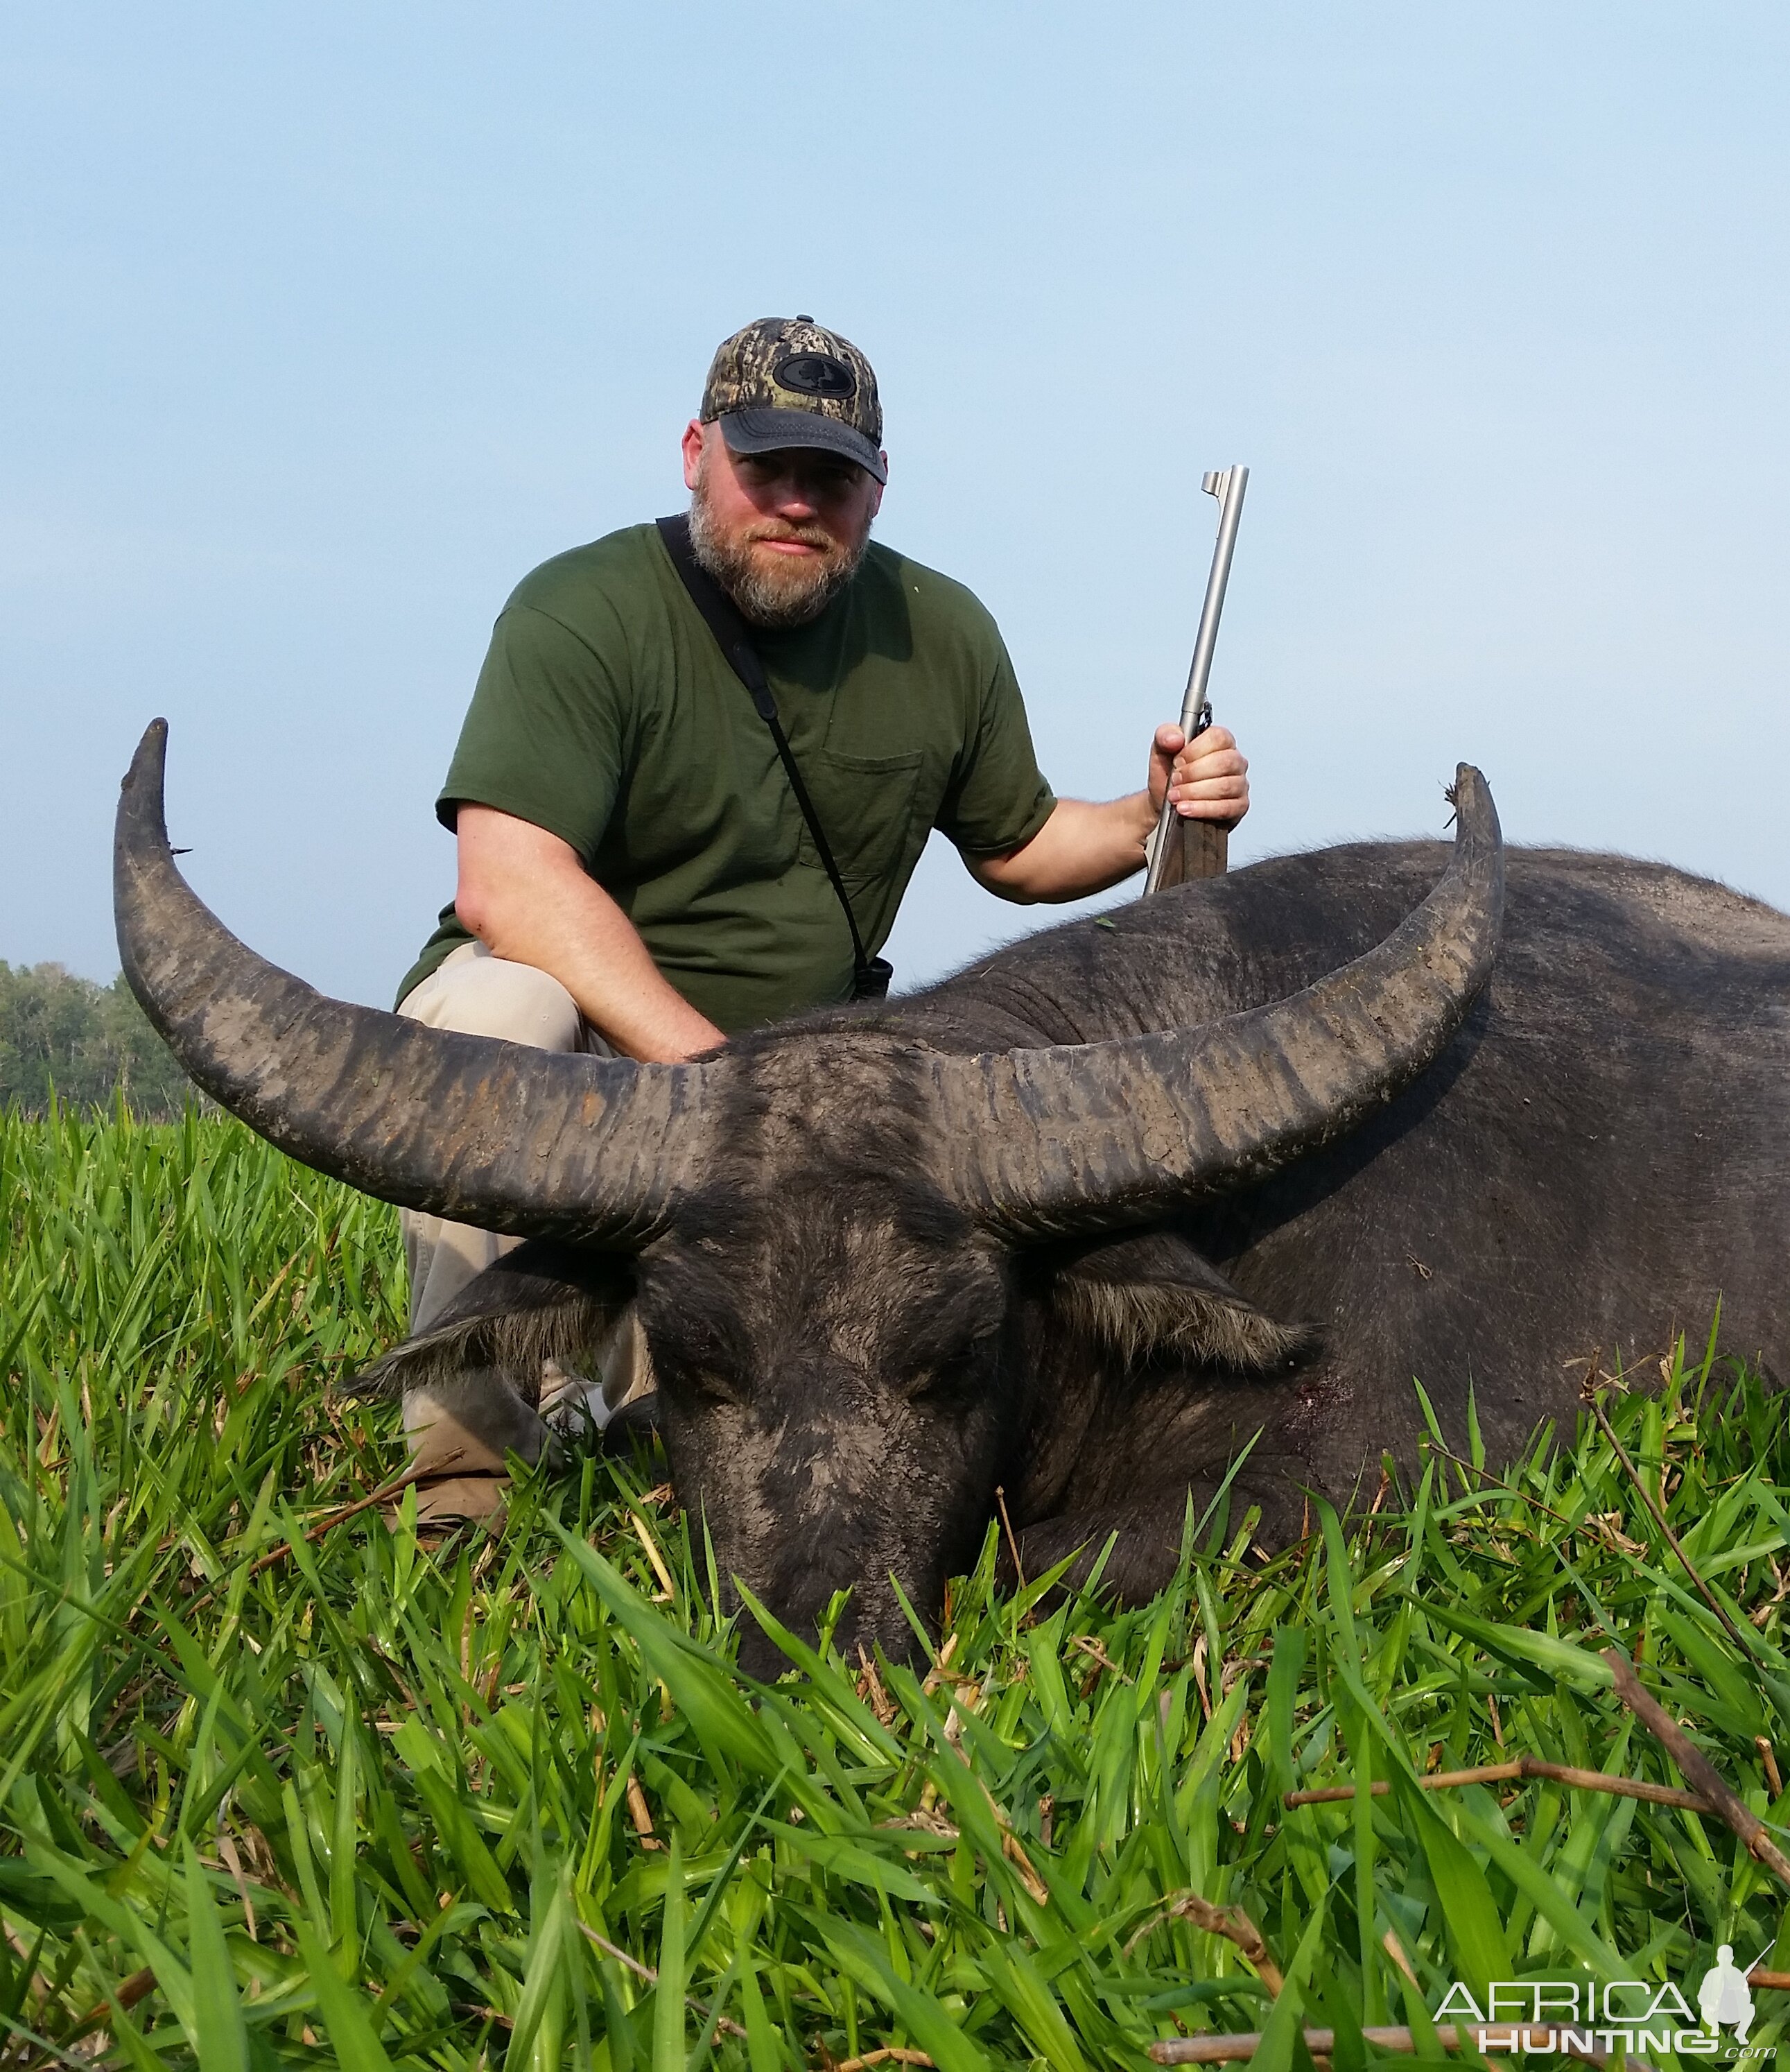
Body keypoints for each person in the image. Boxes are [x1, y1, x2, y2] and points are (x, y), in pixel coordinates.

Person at [393, 314, 1250, 1518]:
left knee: (702, 1414)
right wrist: (718, 1088)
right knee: (494, 1004)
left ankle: (661, 1419)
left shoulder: (939, 630)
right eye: (766, 467)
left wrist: (1149, 810)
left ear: (876, 491)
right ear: (696, 452)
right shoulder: (580, 608)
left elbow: (1018, 848)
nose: (796, 503)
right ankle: (464, 1476)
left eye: (831, 478)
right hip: (621, 1064)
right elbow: (508, 881)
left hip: (815, 1094)